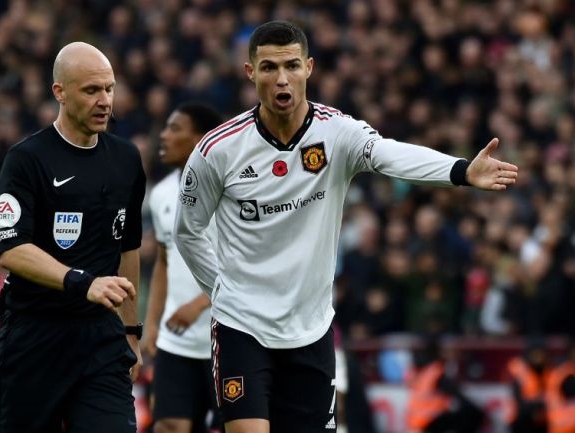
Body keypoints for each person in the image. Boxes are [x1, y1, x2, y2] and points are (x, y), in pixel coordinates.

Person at [173, 21, 518, 433]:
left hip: (310, 329)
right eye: (268, 68)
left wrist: (460, 170)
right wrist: (221, 290)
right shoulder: (218, 150)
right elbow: (187, 231)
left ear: (309, 68)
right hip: (241, 328)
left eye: (291, 65)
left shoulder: (336, 133)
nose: (281, 78)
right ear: (250, 73)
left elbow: (391, 154)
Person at [0, 42, 146, 433]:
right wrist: (81, 282)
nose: (104, 100)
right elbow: (11, 248)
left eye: (109, 89)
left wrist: (131, 331)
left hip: (101, 340)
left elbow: (128, 248)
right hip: (35, 336)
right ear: (59, 92)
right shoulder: (27, 159)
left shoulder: (126, 159)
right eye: (91, 90)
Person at [144, 103, 224, 433]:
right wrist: (150, 324)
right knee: (169, 425)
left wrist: (201, 302)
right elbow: (164, 261)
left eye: (175, 128)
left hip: (227, 336)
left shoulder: (228, 189)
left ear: (199, 138)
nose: (163, 135)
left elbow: (247, 261)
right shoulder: (160, 194)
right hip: (175, 341)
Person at [505, 339, 550, 433]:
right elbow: (519, 401)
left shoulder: (548, 370)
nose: (539, 357)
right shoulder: (520, 371)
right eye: (535, 354)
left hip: (541, 418)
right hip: (520, 419)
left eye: (541, 354)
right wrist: (538, 405)